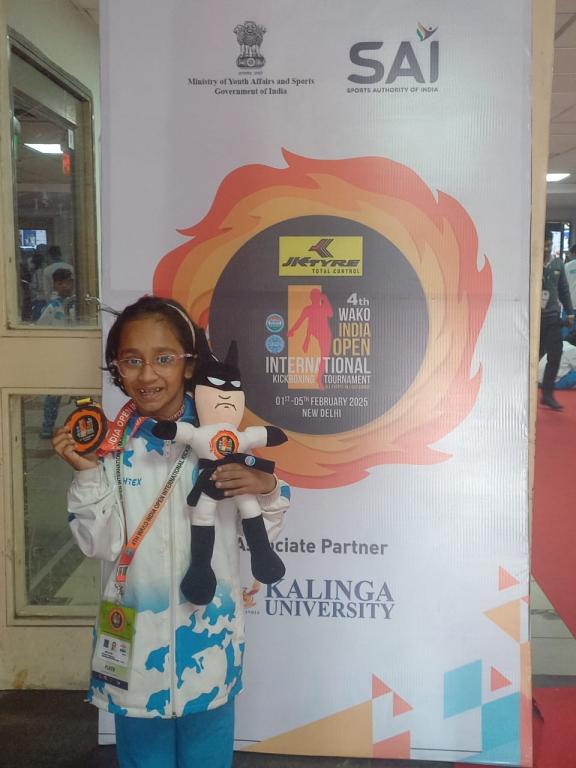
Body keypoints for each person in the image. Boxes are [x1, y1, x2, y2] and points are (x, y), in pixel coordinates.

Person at [51, 296, 290, 768]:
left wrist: (265, 488)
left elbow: (258, 537)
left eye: (164, 359)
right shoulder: (109, 445)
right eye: (131, 360)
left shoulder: (222, 439)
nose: (147, 374)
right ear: (116, 367)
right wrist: (86, 472)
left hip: (210, 643)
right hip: (134, 647)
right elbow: (99, 544)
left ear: (189, 364)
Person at [37, 269, 76, 437]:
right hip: (58, 356)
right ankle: (47, 426)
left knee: (80, 392)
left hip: (75, 354)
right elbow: (41, 329)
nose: (66, 286)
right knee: (53, 394)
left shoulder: (77, 305)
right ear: (55, 285)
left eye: (69, 282)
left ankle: (83, 424)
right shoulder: (52, 308)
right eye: (62, 283)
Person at [540, 233, 574, 410]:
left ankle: (547, 393)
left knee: (555, 354)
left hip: (552, 316)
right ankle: (525, 390)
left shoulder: (558, 264)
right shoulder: (532, 261)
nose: (546, 248)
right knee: (531, 355)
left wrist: (569, 313)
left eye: (549, 244)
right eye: (544, 245)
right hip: (533, 318)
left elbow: (564, 290)